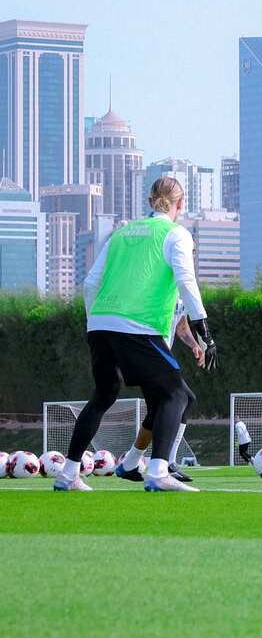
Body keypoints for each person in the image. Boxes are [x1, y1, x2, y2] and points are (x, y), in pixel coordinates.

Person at [56, 176, 218, 492]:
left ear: (149, 201)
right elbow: (187, 282)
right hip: (139, 327)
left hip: (101, 324)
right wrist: (205, 333)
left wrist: (95, 324)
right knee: (177, 395)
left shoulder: (120, 233)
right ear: (181, 203)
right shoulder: (176, 234)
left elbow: (90, 283)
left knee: (103, 395)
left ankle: (68, 473)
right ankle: (158, 471)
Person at [115, 303, 206, 483]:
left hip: (160, 354)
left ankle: (129, 465)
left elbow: (181, 326)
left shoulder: (183, 292)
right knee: (184, 397)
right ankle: (166, 464)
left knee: (157, 410)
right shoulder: (158, 287)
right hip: (148, 352)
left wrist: (195, 345)